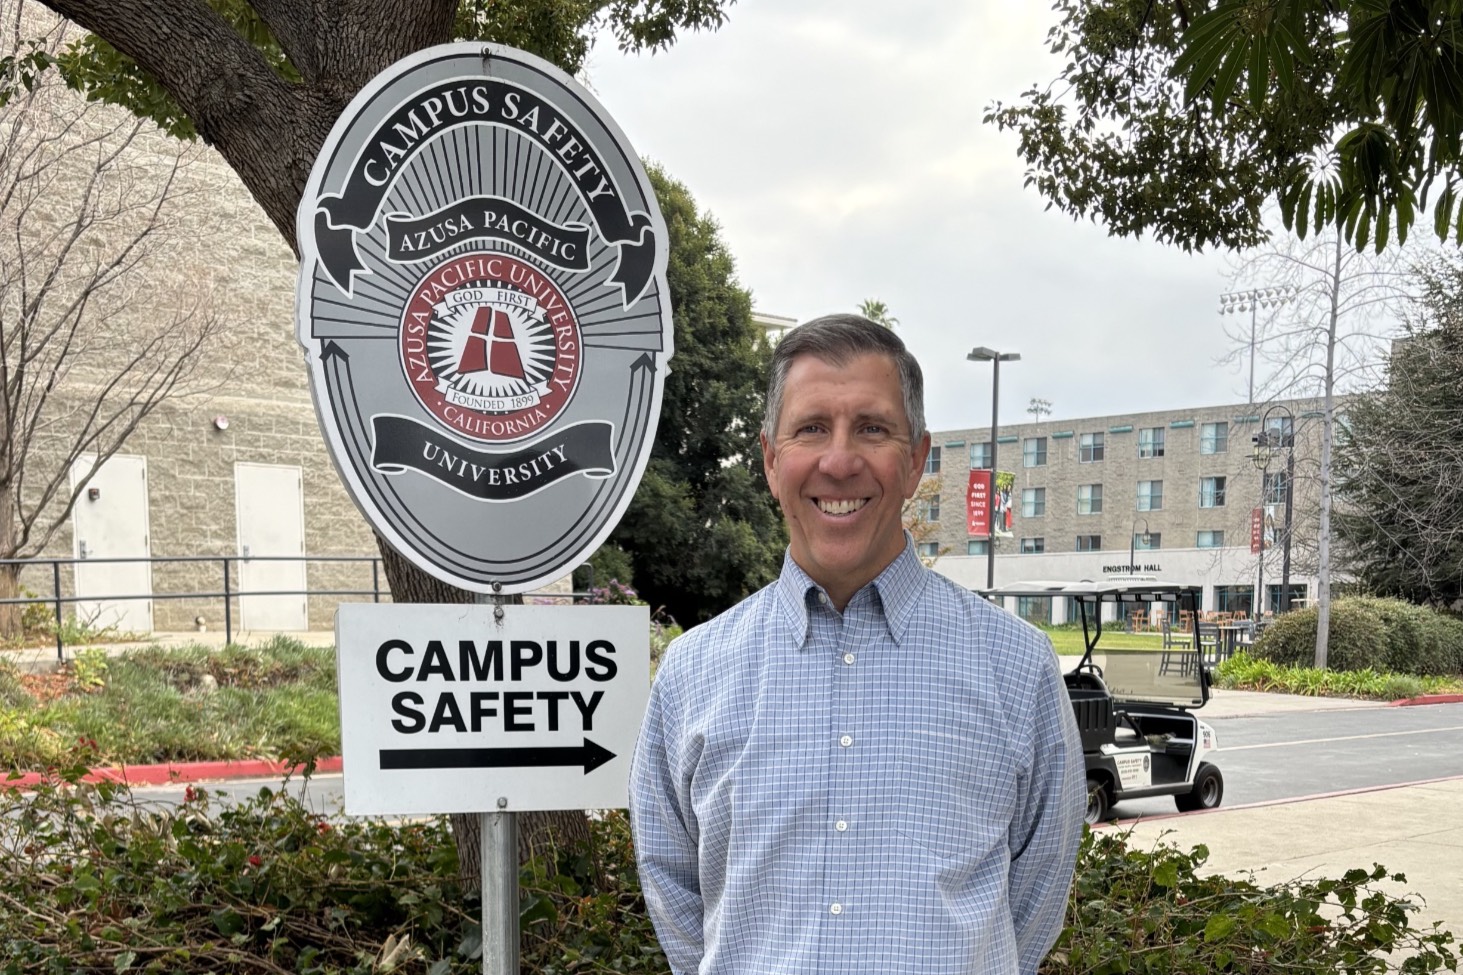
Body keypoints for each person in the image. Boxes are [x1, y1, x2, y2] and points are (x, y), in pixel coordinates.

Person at [629, 314, 1085, 975]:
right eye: (811, 427)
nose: (838, 461)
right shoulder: (691, 673)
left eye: (871, 428)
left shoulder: (1016, 666)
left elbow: (1036, 892)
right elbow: (673, 888)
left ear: (915, 460)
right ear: (769, 458)